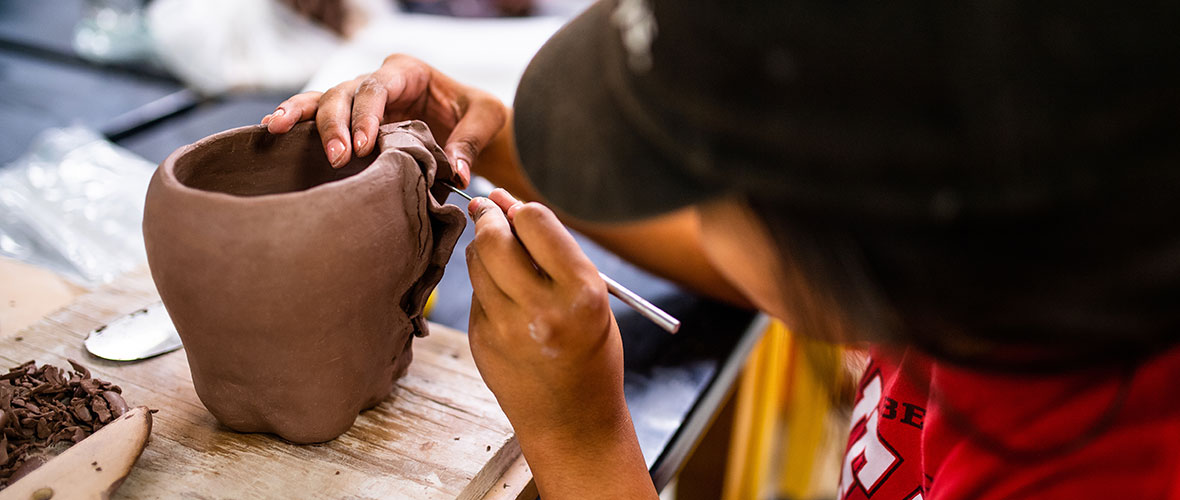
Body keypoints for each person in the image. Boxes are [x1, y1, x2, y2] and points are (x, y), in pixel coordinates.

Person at [262, 0, 1180, 497]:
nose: (678, 202)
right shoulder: (1008, 258)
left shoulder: (1098, 471)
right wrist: (492, 145)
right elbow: (756, 257)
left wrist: (582, 445)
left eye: (685, 171)